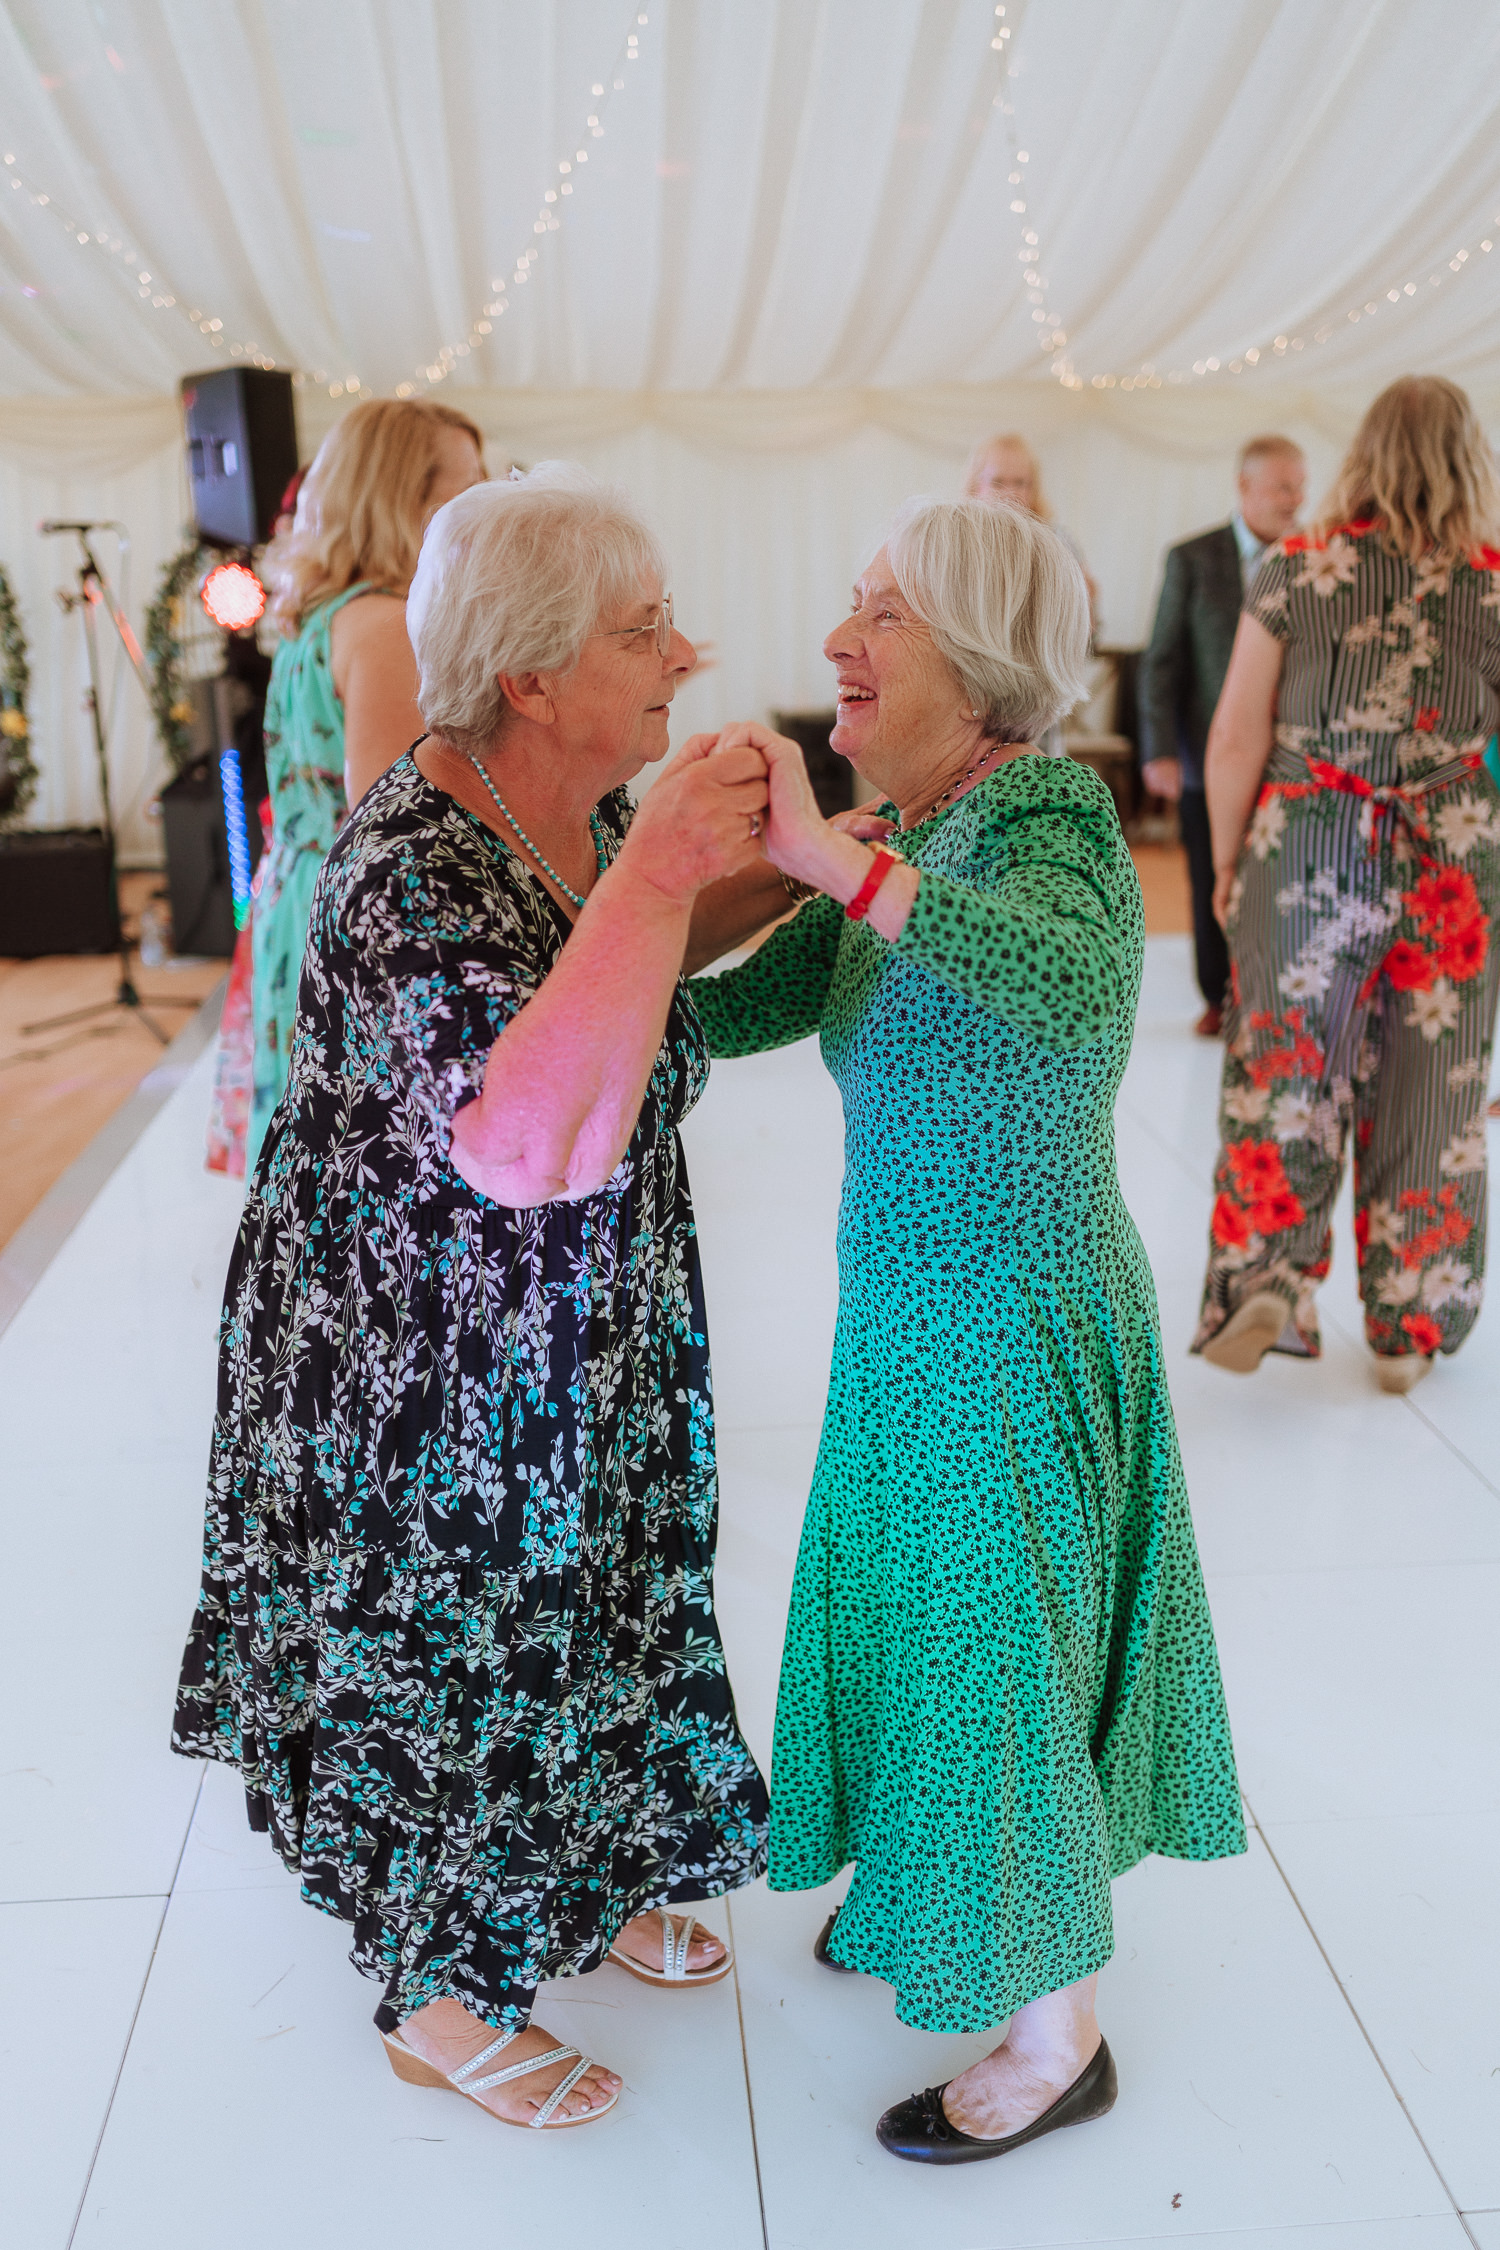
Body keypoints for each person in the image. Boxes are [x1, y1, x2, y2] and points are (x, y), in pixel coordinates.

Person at [173, 467, 773, 2127]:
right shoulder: (410, 871)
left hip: (574, 1328)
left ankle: (598, 1861)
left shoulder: (544, 805)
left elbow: (604, 964)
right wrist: (665, 871)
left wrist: (791, 865)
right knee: (475, 1639)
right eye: (643, 630)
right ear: (532, 677)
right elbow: (516, 1134)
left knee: (613, 1584)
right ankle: (439, 2001)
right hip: (437, 1356)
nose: (689, 651)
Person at [686, 498, 1245, 2164]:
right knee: (909, 1618)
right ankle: (934, 1885)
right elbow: (747, 1009)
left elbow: (1072, 986)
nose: (841, 644)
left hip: (1012, 1319)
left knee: (998, 1652)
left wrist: (825, 859)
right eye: (851, 609)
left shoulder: (1052, 814)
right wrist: (617, 960)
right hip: (905, 1324)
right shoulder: (910, 838)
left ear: (984, 661)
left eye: (884, 617)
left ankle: (1057, 2035)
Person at [1194, 377, 1500, 1392]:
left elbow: (1236, 733)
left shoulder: (1298, 567)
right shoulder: (1494, 581)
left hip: (1310, 845)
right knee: (1434, 1087)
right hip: (1449, 851)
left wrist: (1231, 861)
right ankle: (1412, 1322)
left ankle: (1268, 1284)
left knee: (1289, 1068)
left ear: (1365, 452)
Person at [242, 397, 486, 1174]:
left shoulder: (318, 616)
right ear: (403, 500)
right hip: (353, 912)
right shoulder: (382, 626)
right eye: (468, 485)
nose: (486, 507)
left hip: (297, 889)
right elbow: (394, 829)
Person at [1138, 435, 1307, 1037]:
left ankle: (1276, 996)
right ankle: (1219, 997)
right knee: (1211, 876)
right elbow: (1162, 660)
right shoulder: (1192, 557)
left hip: (1291, 758)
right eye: (1283, 486)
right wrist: (1159, 750)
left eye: (1300, 484)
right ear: (1245, 487)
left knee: (1283, 878)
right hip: (1206, 753)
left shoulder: (1314, 559)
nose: (1296, 498)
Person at [965, 434, 1098, 758]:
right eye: (998, 482)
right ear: (976, 486)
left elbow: (1085, 638)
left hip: (1035, 697)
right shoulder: (959, 545)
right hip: (971, 696)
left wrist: (1086, 605)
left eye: (1020, 483)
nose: (1010, 493)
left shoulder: (1058, 543)